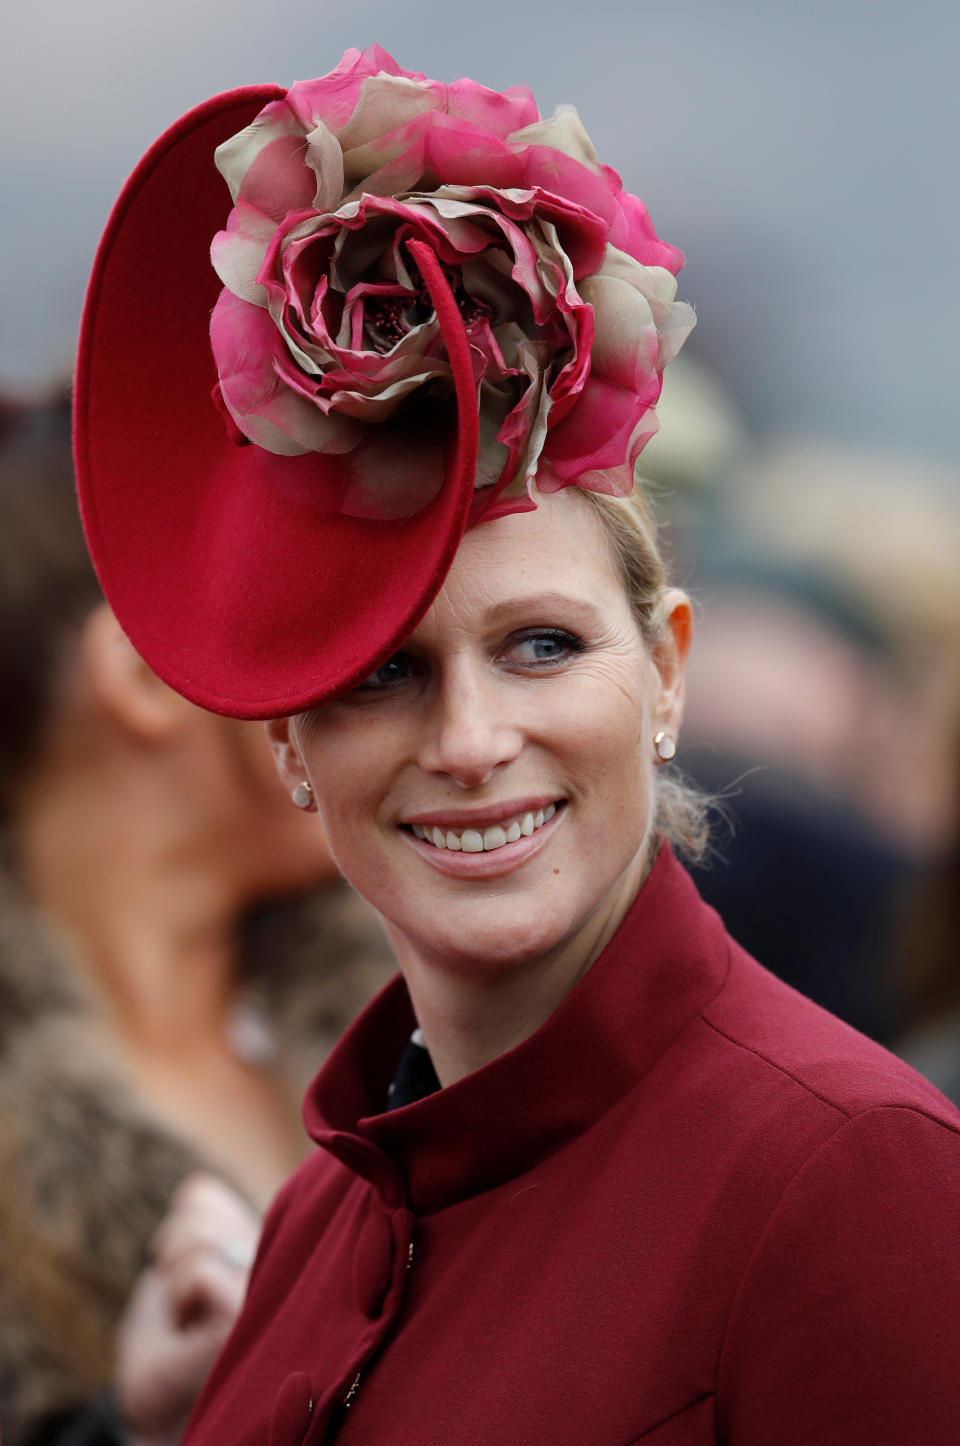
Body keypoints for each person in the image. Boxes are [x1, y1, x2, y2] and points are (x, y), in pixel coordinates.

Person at [72, 45, 960, 1445]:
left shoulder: (849, 1179)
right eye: (384, 676)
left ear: (666, 670)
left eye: (542, 644)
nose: (473, 739)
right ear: (291, 746)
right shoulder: (315, 1221)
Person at [0, 393, 396, 1442]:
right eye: (308, 605)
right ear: (144, 674)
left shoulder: (433, 1027)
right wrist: (132, 1423)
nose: (374, 661)